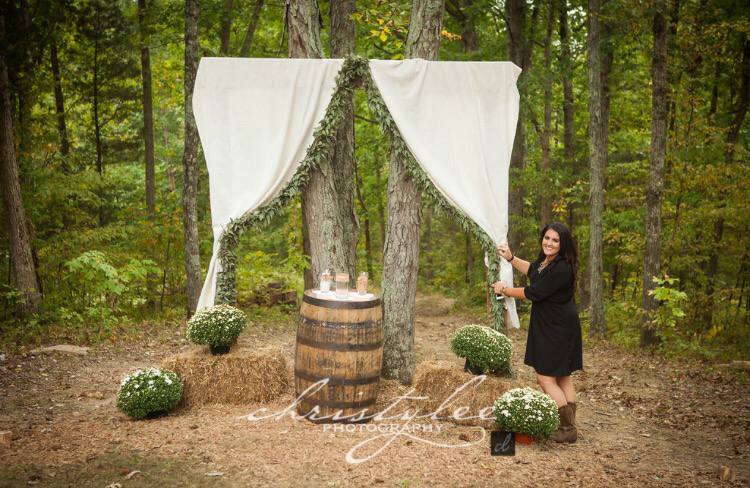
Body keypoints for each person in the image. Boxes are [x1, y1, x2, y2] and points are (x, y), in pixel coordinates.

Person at [492, 222, 583, 443]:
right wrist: (511, 258)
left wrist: (504, 290)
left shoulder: (562, 268)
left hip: (558, 326)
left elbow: (533, 292)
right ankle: (568, 425)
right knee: (562, 375)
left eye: (555, 240)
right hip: (552, 323)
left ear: (563, 244)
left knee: (545, 377)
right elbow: (532, 270)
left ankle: (567, 427)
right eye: (547, 238)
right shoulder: (547, 260)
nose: (549, 243)